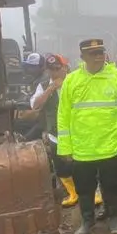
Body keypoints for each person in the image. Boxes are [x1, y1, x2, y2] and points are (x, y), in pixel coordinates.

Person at [57, 38, 117, 234]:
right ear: (82, 57)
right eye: (93, 53)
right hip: (82, 148)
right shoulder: (72, 80)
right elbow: (63, 114)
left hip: (112, 145)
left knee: (112, 186)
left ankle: (114, 217)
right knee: (84, 189)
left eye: (100, 52)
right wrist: (65, 147)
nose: (98, 56)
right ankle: (87, 220)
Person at [36, 54, 79, 209]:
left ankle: (91, 192)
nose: (54, 73)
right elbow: (35, 105)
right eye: (51, 70)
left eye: (57, 69)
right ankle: (73, 193)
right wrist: (50, 89)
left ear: (65, 67)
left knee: (82, 165)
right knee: (61, 167)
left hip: (78, 133)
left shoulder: (75, 82)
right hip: (56, 135)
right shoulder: (43, 85)